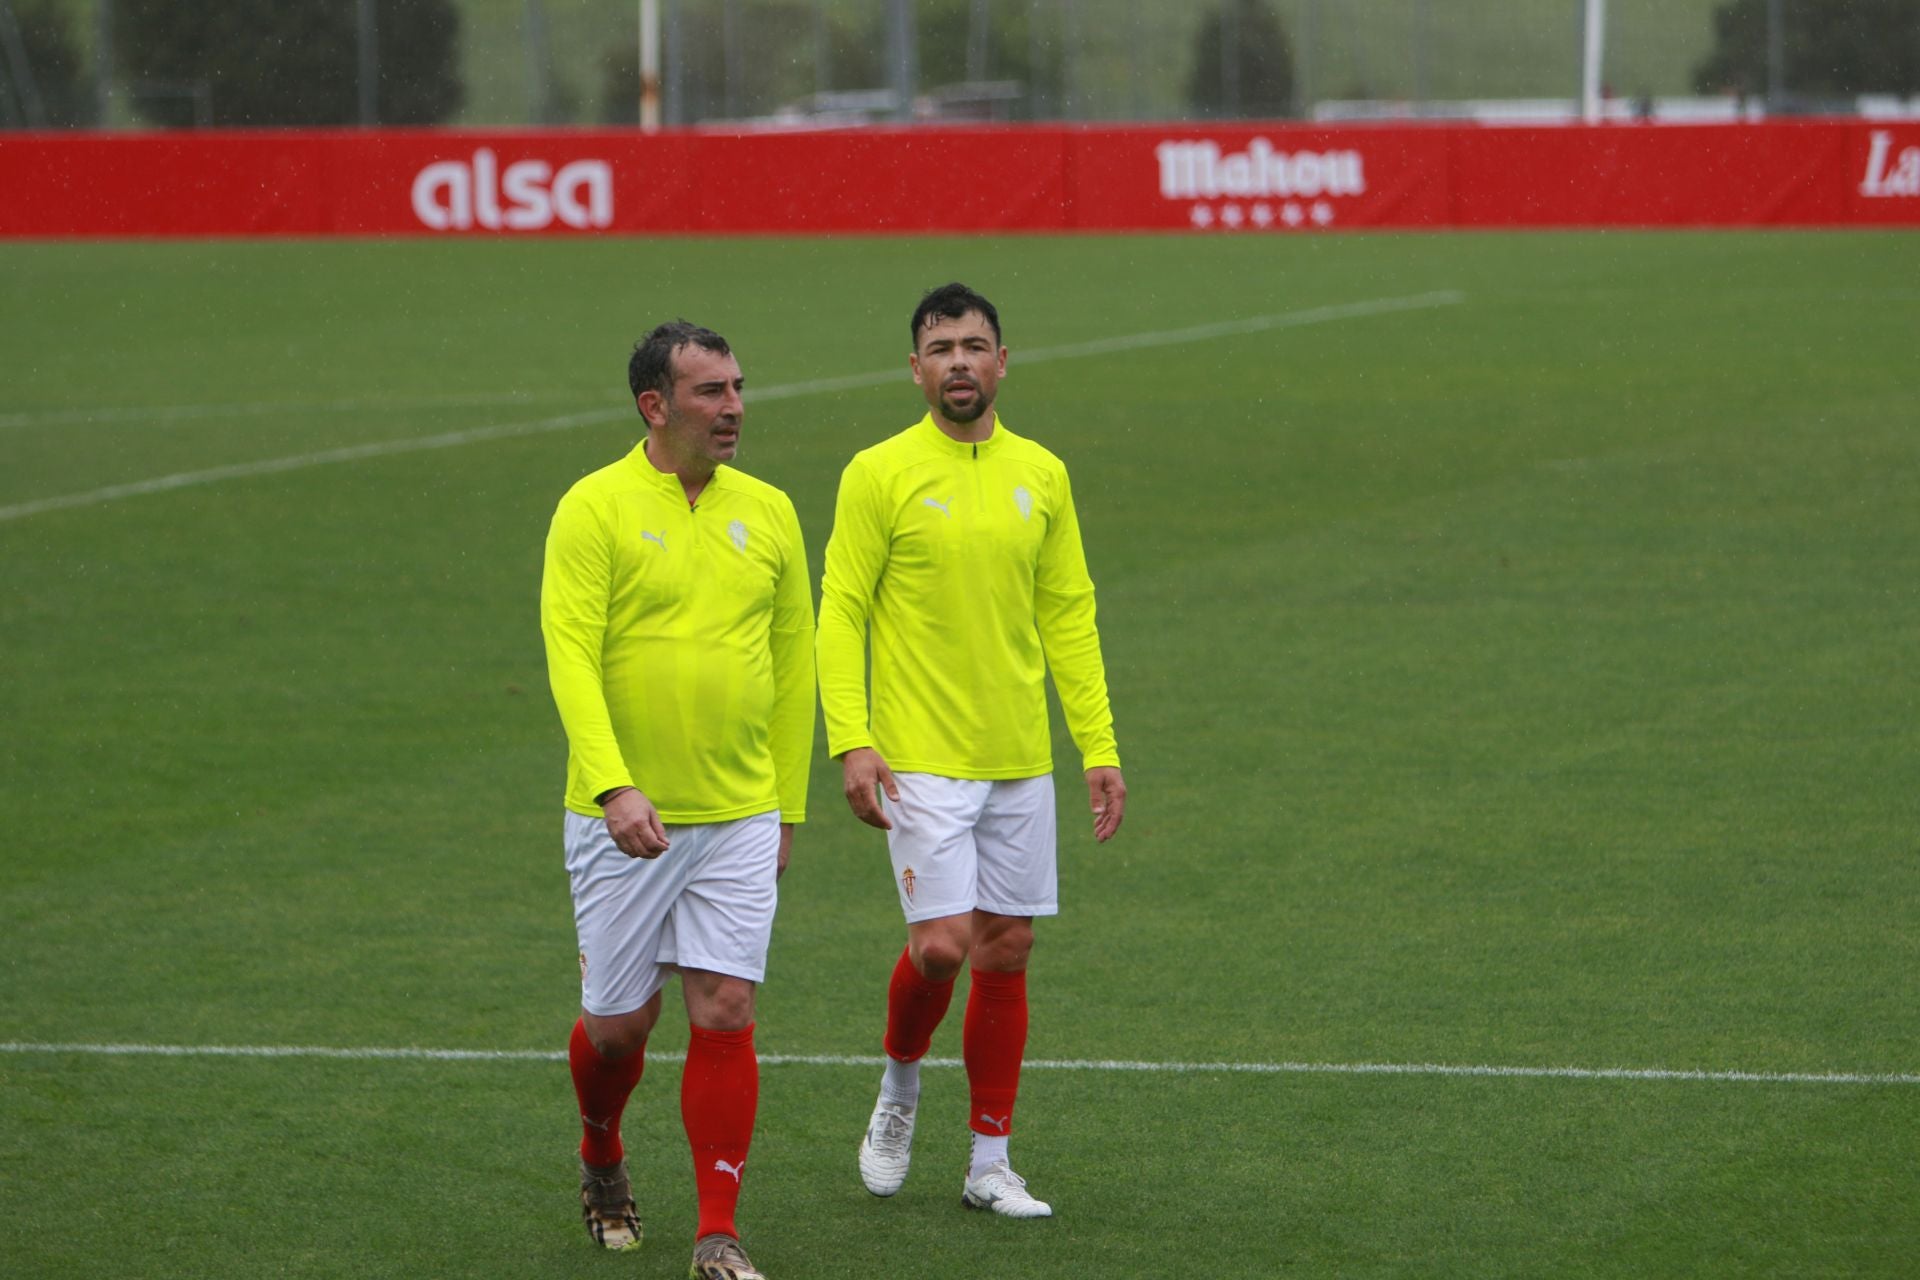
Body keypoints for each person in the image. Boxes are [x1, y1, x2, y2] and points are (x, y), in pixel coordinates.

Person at [817, 282, 1128, 1219]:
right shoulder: (878, 473)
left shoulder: (1045, 472)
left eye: (975, 345)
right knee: (945, 947)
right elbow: (841, 610)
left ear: (1003, 362)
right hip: (918, 761)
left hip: (1019, 758)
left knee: (1009, 948)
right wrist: (852, 740)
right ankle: (901, 1088)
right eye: (941, 346)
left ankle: (989, 1161)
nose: (959, 360)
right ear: (914, 369)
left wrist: (1097, 745)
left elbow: (1069, 613)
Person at [541, 321, 813, 1280]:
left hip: (738, 810)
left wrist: (787, 806)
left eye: (738, 387)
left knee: (727, 1008)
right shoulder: (594, 507)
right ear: (655, 406)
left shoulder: (771, 511)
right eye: (710, 392)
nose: (734, 406)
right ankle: (602, 1151)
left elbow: (795, 658)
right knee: (619, 1030)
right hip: (622, 817)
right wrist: (614, 787)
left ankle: (716, 1232)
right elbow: (569, 653)